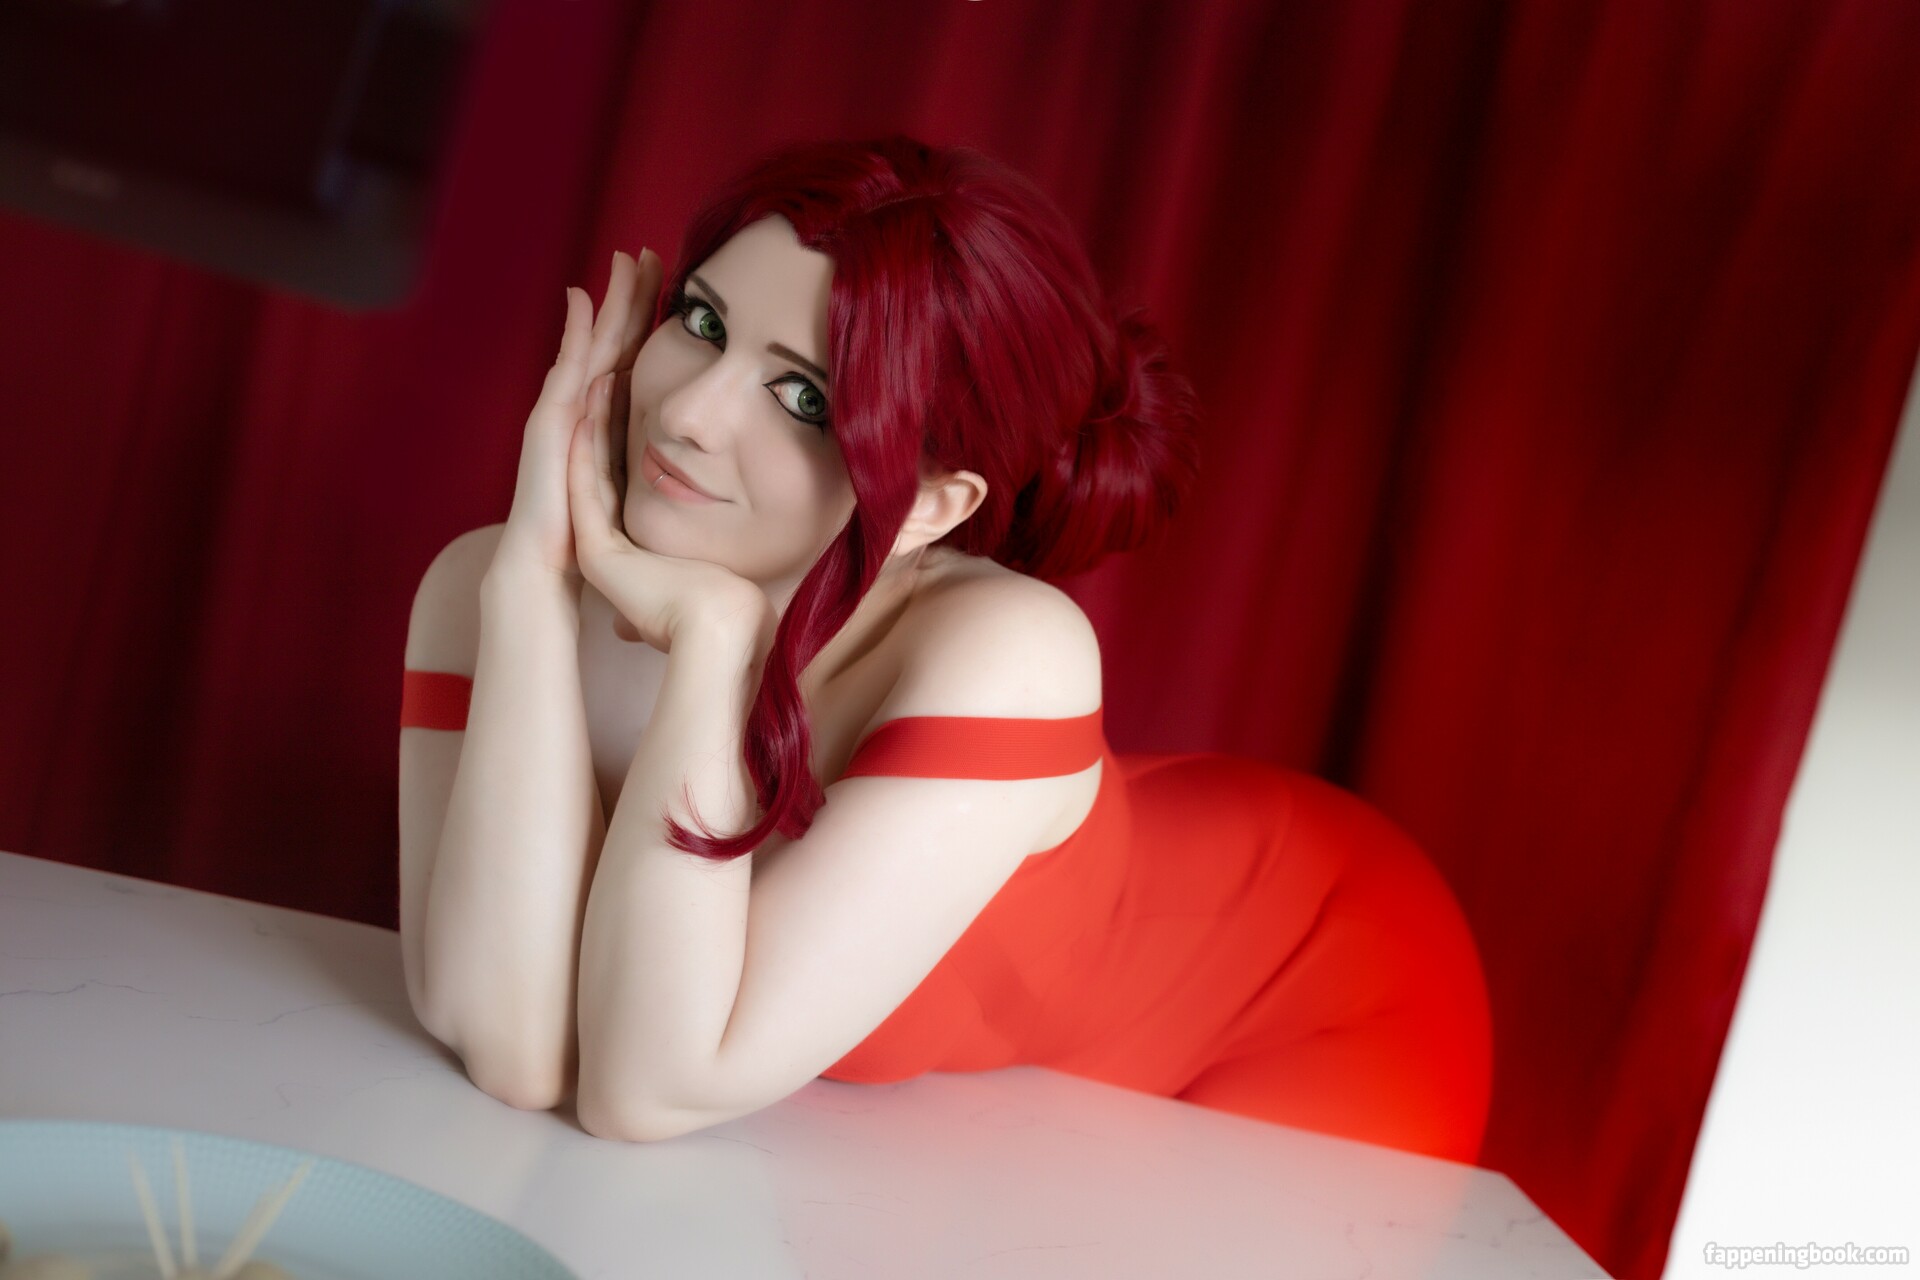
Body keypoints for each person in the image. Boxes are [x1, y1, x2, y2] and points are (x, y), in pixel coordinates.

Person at [397, 134, 1492, 1158]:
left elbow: (645, 1091)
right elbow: (514, 1048)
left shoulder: (1012, 656)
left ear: (932, 502)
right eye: (701, 320)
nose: (688, 412)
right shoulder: (492, 586)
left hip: (1318, 999)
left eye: (803, 395)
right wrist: (531, 583)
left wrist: (716, 646)